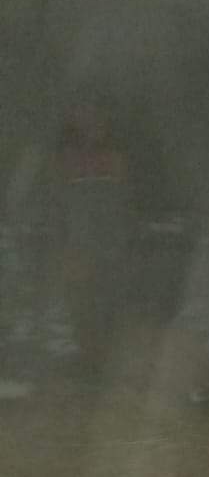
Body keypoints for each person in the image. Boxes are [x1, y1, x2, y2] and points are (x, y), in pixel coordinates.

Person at [51, 100, 134, 373]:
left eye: (95, 115)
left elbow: (121, 201)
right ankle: (88, 355)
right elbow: (62, 201)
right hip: (79, 242)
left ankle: (104, 357)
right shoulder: (67, 152)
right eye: (81, 112)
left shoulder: (115, 151)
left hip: (107, 242)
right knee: (82, 298)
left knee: (105, 297)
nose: (88, 120)